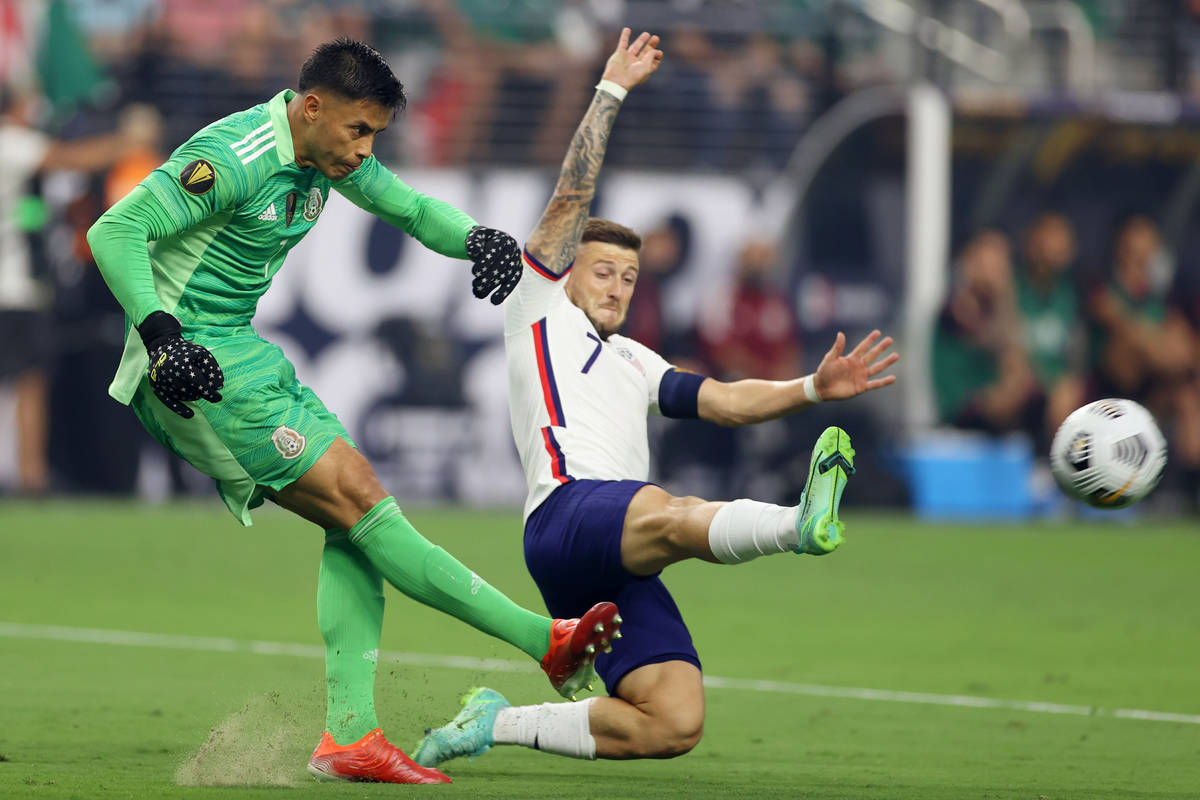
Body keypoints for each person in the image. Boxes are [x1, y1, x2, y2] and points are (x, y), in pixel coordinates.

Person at [85, 38, 621, 785]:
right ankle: (545, 642)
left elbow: (408, 207)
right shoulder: (234, 157)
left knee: (356, 521)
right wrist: (162, 335)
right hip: (187, 368)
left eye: (374, 135)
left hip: (240, 353)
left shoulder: (324, 155)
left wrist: (479, 241)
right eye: (358, 131)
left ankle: (350, 737)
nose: (364, 150)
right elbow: (114, 230)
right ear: (312, 107)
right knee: (361, 500)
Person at [413, 28, 898, 767]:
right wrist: (611, 91)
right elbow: (574, 191)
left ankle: (493, 723)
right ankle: (796, 526)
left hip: (614, 553)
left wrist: (812, 387)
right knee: (667, 511)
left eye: (629, 278)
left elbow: (727, 402)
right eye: (604, 271)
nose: (616, 287)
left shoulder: (637, 360)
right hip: (568, 513)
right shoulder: (536, 308)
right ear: (569, 272)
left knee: (674, 721)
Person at [0, 86, 156, 494]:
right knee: (31, 383)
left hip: (15, 287)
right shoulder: (11, 143)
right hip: (14, 288)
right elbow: (72, 158)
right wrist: (129, 140)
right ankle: (31, 478)